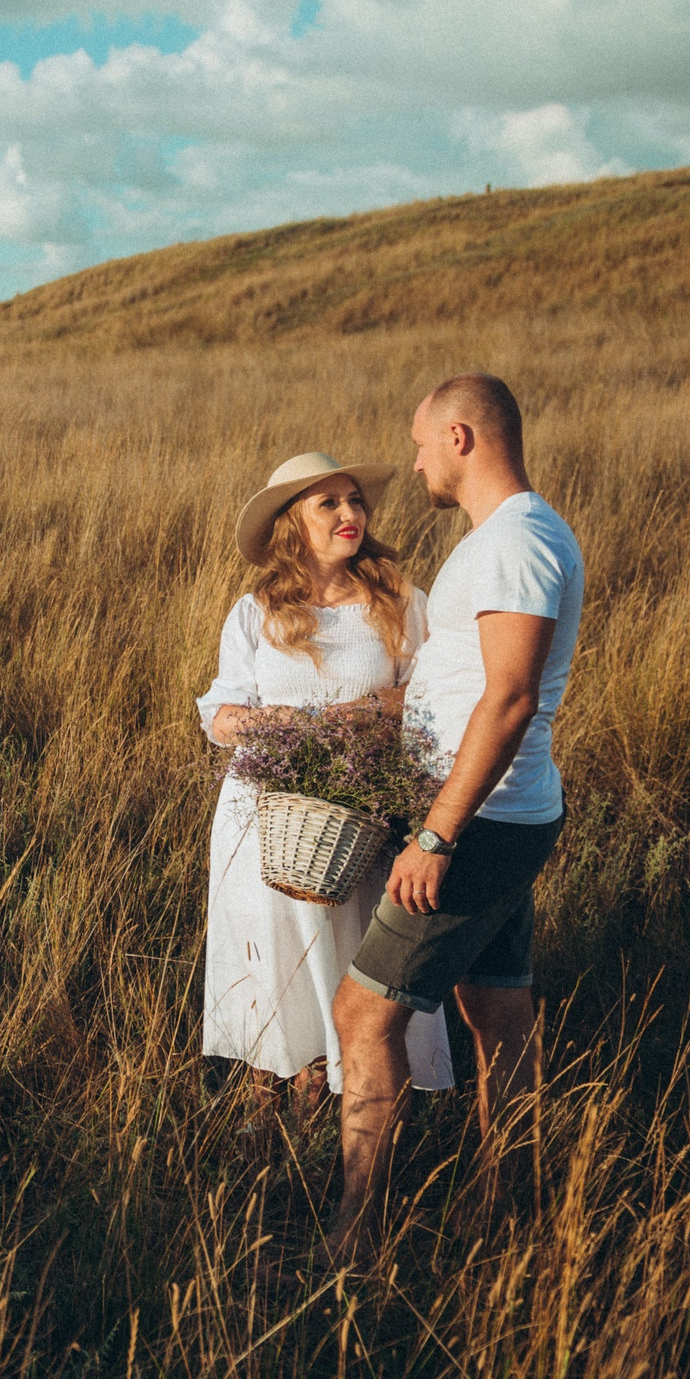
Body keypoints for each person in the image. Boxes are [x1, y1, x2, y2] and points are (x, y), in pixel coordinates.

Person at [328, 374, 583, 1256]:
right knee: (498, 1015)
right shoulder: (501, 541)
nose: (416, 460)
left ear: (462, 437)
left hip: (480, 826)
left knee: (363, 1013)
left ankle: (355, 1233)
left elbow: (509, 700)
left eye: (422, 441)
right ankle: (508, 1205)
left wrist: (436, 833)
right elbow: (471, 680)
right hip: (506, 817)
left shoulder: (515, 543)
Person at [195, 451, 455, 1131]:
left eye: (355, 501)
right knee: (270, 949)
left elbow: (430, 696)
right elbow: (221, 714)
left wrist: (363, 715)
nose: (350, 515)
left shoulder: (398, 602)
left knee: (346, 948)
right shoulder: (257, 612)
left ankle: (336, 1094)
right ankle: (265, 1096)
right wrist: (292, 724)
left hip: (360, 812)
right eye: (329, 504)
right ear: (292, 524)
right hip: (265, 816)